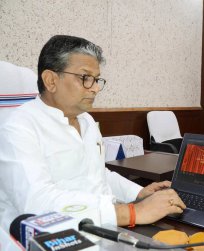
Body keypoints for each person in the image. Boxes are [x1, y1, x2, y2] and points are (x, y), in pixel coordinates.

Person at [0, 35, 185, 231]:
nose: (95, 88)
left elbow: (98, 175)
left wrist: (138, 193)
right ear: (51, 80)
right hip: (50, 237)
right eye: (85, 78)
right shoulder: (19, 127)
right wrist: (131, 212)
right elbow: (36, 202)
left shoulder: (85, 120)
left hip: (104, 226)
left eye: (96, 79)